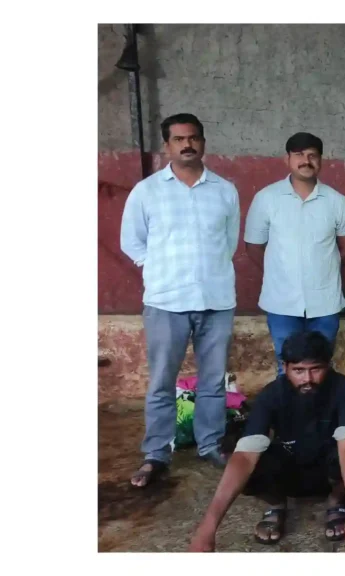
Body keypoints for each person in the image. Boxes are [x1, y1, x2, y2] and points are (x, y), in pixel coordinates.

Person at [120, 113, 240, 487]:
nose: (187, 144)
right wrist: (158, 267)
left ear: (203, 142)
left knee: (213, 381)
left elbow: (229, 243)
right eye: (178, 139)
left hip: (216, 300)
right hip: (165, 301)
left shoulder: (225, 190)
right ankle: (156, 453)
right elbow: (131, 241)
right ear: (167, 145)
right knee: (161, 381)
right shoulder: (147, 191)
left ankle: (210, 445)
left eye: (193, 138)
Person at [187, 331, 345, 551]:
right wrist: (208, 527)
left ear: (328, 366)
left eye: (316, 369)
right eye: (298, 370)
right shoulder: (271, 394)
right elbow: (246, 455)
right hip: (291, 469)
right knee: (239, 459)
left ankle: (336, 502)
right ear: (285, 367)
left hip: (332, 472)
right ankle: (276, 504)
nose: (307, 379)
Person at [244, 132, 345, 375]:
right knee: (286, 365)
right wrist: (278, 273)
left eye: (312, 155)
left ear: (321, 160)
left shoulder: (336, 201)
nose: (306, 161)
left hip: (325, 302)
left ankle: (320, 403)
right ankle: (288, 403)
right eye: (299, 155)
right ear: (287, 159)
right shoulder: (266, 198)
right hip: (281, 302)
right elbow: (253, 246)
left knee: (321, 366)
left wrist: (322, 272)